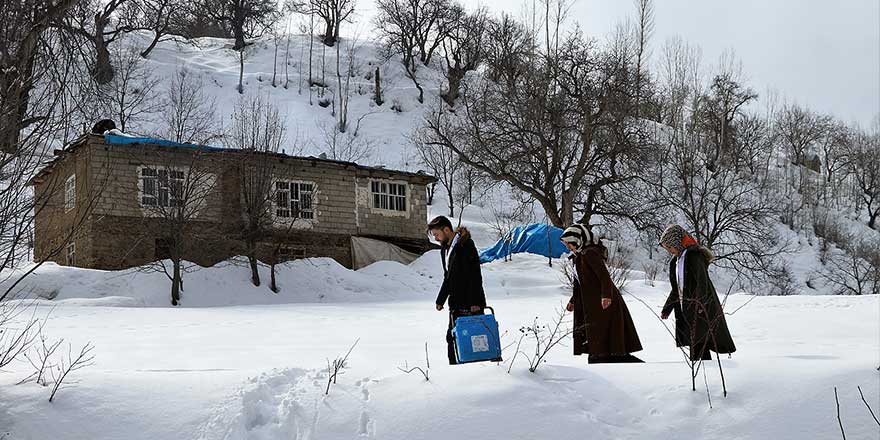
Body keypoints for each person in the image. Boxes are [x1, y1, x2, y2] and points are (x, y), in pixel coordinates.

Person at [561, 224, 643, 364]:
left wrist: (606, 296)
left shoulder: (590, 253)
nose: (568, 247)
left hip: (604, 302)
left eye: (569, 243)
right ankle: (599, 357)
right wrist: (573, 301)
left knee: (603, 338)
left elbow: (604, 276)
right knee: (596, 338)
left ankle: (607, 359)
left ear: (578, 240)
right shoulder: (578, 257)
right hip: (593, 303)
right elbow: (580, 283)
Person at [658, 224, 736, 361]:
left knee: (698, 342)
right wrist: (667, 308)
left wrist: (700, 304)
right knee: (697, 343)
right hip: (687, 309)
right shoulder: (676, 262)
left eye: (670, 247)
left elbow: (702, 282)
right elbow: (677, 288)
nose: (670, 251)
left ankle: (702, 370)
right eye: (667, 249)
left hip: (700, 307)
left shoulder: (693, 256)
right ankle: (702, 370)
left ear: (677, 243)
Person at [428, 216, 487, 365]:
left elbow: (475, 275)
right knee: (453, 338)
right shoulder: (444, 250)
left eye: (437, 234)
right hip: (455, 303)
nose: (436, 238)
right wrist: (440, 300)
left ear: (446, 230)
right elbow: (447, 277)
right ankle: (455, 369)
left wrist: (475, 302)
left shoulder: (465, 245)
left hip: (471, 303)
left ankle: (480, 371)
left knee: (475, 339)